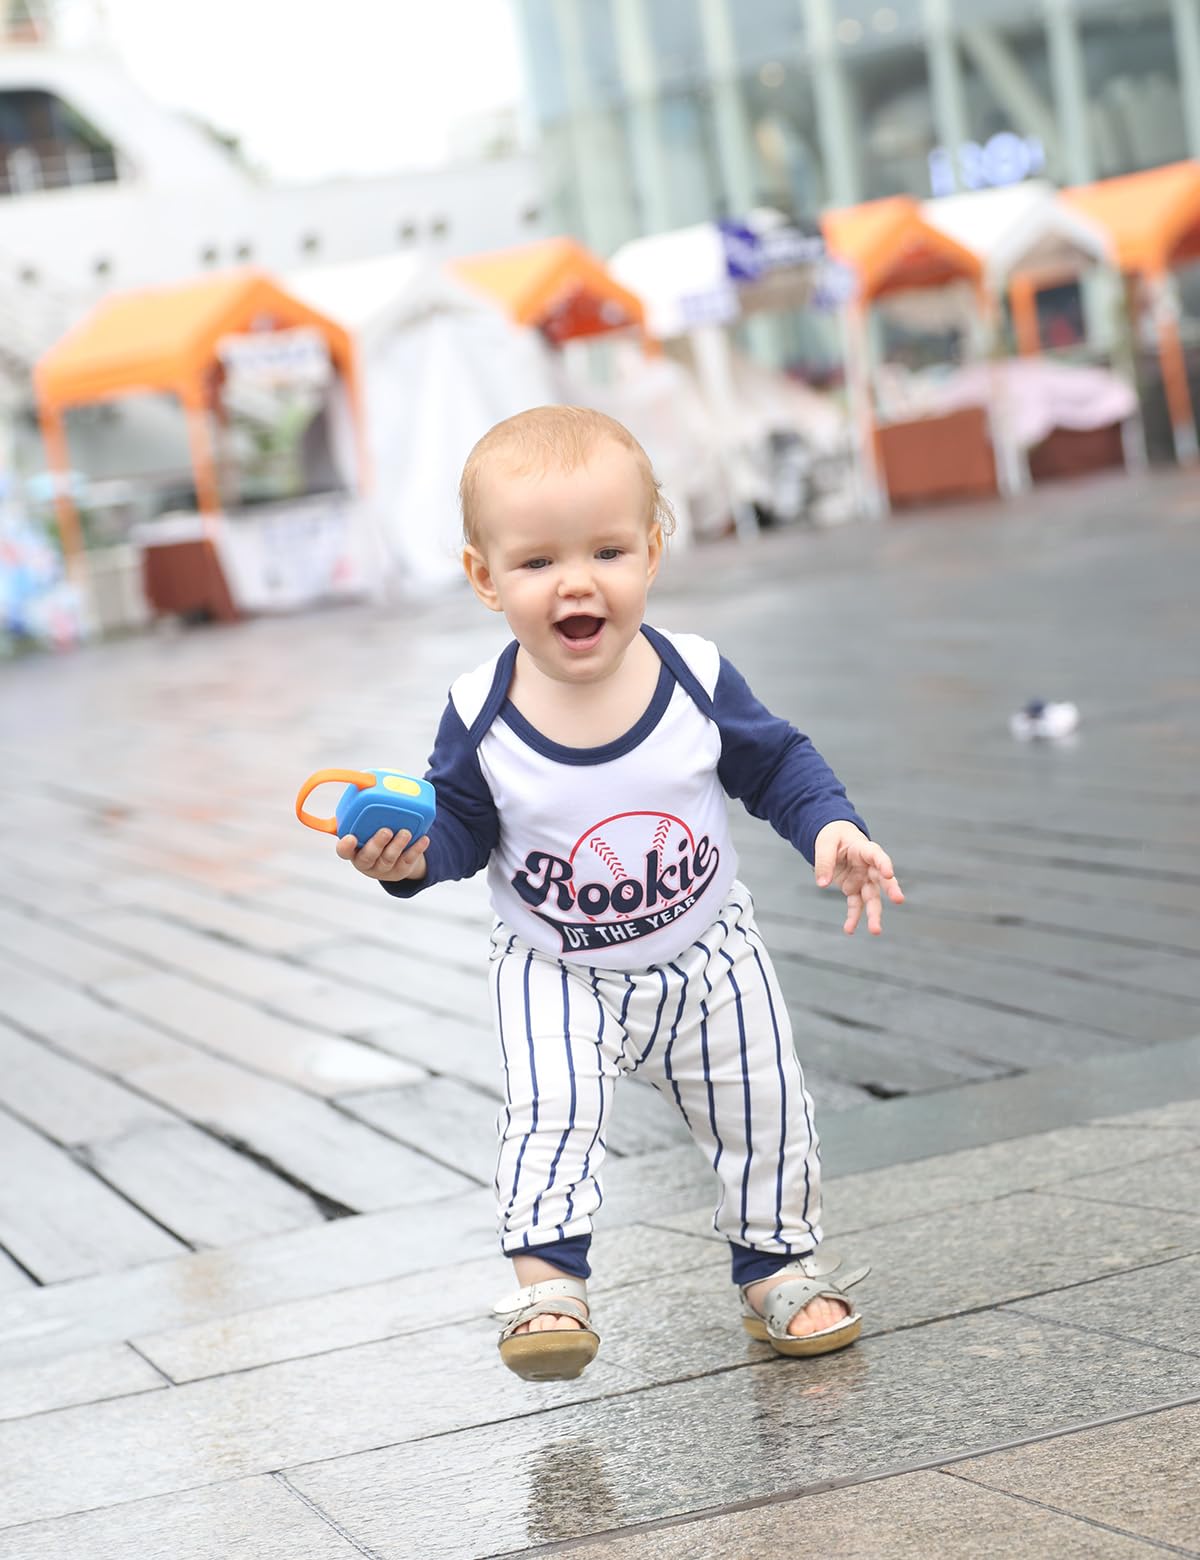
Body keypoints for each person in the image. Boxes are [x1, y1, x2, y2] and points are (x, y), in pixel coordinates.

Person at [337, 406, 904, 1382]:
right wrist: (410, 859)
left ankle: (777, 1268)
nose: (576, 582)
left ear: (650, 550)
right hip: (554, 964)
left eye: (606, 549)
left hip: (708, 951)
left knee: (764, 1109)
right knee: (549, 1110)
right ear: (485, 578)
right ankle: (547, 1284)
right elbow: (463, 827)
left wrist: (833, 827)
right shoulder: (482, 711)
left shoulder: (694, 675)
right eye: (537, 562)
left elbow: (777, 767)